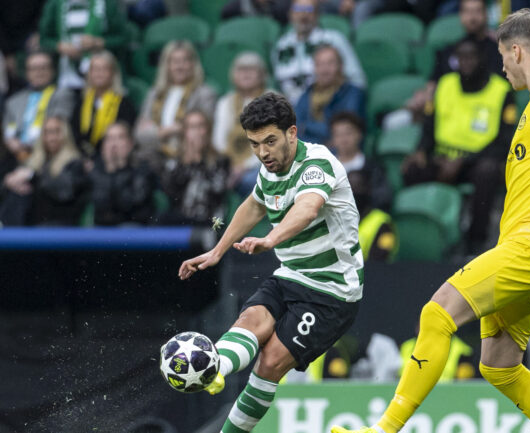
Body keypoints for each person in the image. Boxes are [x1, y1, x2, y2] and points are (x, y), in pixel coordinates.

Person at [332, 9, 530, 433]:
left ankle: (383, 429)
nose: (500, 66)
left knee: (437, 313)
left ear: (516, 51)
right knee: (500, 367)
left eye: (501, 56)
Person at [175, 92, 363, 433]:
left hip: (331, 291)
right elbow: (254, 205)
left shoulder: (318, 165)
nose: (263, 152)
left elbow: (306, 209)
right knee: (250, 320)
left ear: (292, 133)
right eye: (254, 144)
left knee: (270, 361)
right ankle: (213, 368)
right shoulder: (270, 168)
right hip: (290, 276)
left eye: (270, 141)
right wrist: (217, 251)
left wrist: (271, 239)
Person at [402, 37, 517, 252]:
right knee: (411, 168)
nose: (466, 62)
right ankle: (422, 240)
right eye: (461, 57)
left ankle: (475, 240)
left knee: (488, 172)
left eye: (471, 57)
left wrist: (462, 161)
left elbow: (503, 140)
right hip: (442, 159)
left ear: (481, 58)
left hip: (477, 162)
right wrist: (420, 150)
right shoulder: (445, 85)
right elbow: (429, 124)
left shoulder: (501, 91)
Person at [134, 40, 217, 166]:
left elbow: (203, 131)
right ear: (166, 65)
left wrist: (156, 132)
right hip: (154, 156)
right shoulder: (154, 94)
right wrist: (168, 131)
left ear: (193, 64)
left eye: (185, 61)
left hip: (188, 157)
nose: (179, 67)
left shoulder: (204, 94)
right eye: (174, 62)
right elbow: (139, 134)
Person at [327, 111, 394, 261]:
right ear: (332, 139)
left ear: (359, 135)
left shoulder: (373, 168)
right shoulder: (326, 171)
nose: (344, 139)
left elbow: (384, 198)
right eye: (338, 135)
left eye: (348, 133)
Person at [272, 0, 365, 104]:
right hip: (291, 109)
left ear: (317, 14)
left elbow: (356, 79)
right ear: (290, 15)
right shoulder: (281, 45)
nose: (303, 15)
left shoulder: (334, 39)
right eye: (298, 10)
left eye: (309, 10)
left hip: (330, 103)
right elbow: (277, 83)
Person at [0, 116, 88, 226]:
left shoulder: (75, 163)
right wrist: (10, 183)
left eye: (56, 132)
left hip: (60, 225)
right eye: (47, 132)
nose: (51, 137)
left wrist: (32, 177)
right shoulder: (35, 161)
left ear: (65, 135)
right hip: (32, 225)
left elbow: (64, 191)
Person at [2, 51, 74, 176]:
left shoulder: (63, 95)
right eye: (33, 68)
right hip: (14, 157)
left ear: (53, 71)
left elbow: (57, 129)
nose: (38, 73)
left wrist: (29, 148)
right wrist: (12, 143)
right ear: (26, 72)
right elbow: (7, 131)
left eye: (43, 68)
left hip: (48, 157)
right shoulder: (14, 101)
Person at [212, 52, 271, 197]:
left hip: (262, 163)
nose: (246, 74)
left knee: (249, 181)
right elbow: (218, 140)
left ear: (262, 74)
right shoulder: (225, 102)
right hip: (230, 162)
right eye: (241, 70)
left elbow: (271, 142)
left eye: (251, 70)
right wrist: (230, 165)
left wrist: (244, 167)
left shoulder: (272, 100)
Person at [159, 110, 229, 226]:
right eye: (192, 127)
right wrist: (188, 162)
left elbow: (218, 191)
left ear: (207, 130)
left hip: (210, 219)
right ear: (184, 133)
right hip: (180, 219)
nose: (197, 132)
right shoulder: (175, 163)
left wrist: (199, 161)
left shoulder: (220, 161)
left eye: (200, 126)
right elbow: (170, 193)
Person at [38, 0, 128, 89]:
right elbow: (44, 39)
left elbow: (124, 38)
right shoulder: (55, 3)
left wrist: (98, 42)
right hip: (67, 75)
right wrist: (60, 46)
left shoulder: (107, 3)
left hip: (101, 76)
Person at [295, 44, 366, 145]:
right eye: (320, 64)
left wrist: (306, 127)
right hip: (309, 154)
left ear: (341, 66)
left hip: (339, 155)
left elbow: (343, 132)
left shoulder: (353, 94)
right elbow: (295, 128)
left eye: (330, 63)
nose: (325, 70)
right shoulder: (306, 95)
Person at [70, 50, 137, 158]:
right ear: (89, 74)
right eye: (95, 69)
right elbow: (74, 132)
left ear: (113, 73)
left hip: (113, 156)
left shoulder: (124, 104)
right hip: (82, 156)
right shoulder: (82, 101)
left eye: (104, 69)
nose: (99, 74)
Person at [89, 121, 156, 226]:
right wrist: (110, 169)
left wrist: (118, 169)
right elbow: (99, 205)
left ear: (130, 143)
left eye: (120, 138)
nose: (114, 144)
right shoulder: (95, 171)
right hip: (102, 229)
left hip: (133, 229)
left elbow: (130, 205)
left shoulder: (142, 170)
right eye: (109, 139)